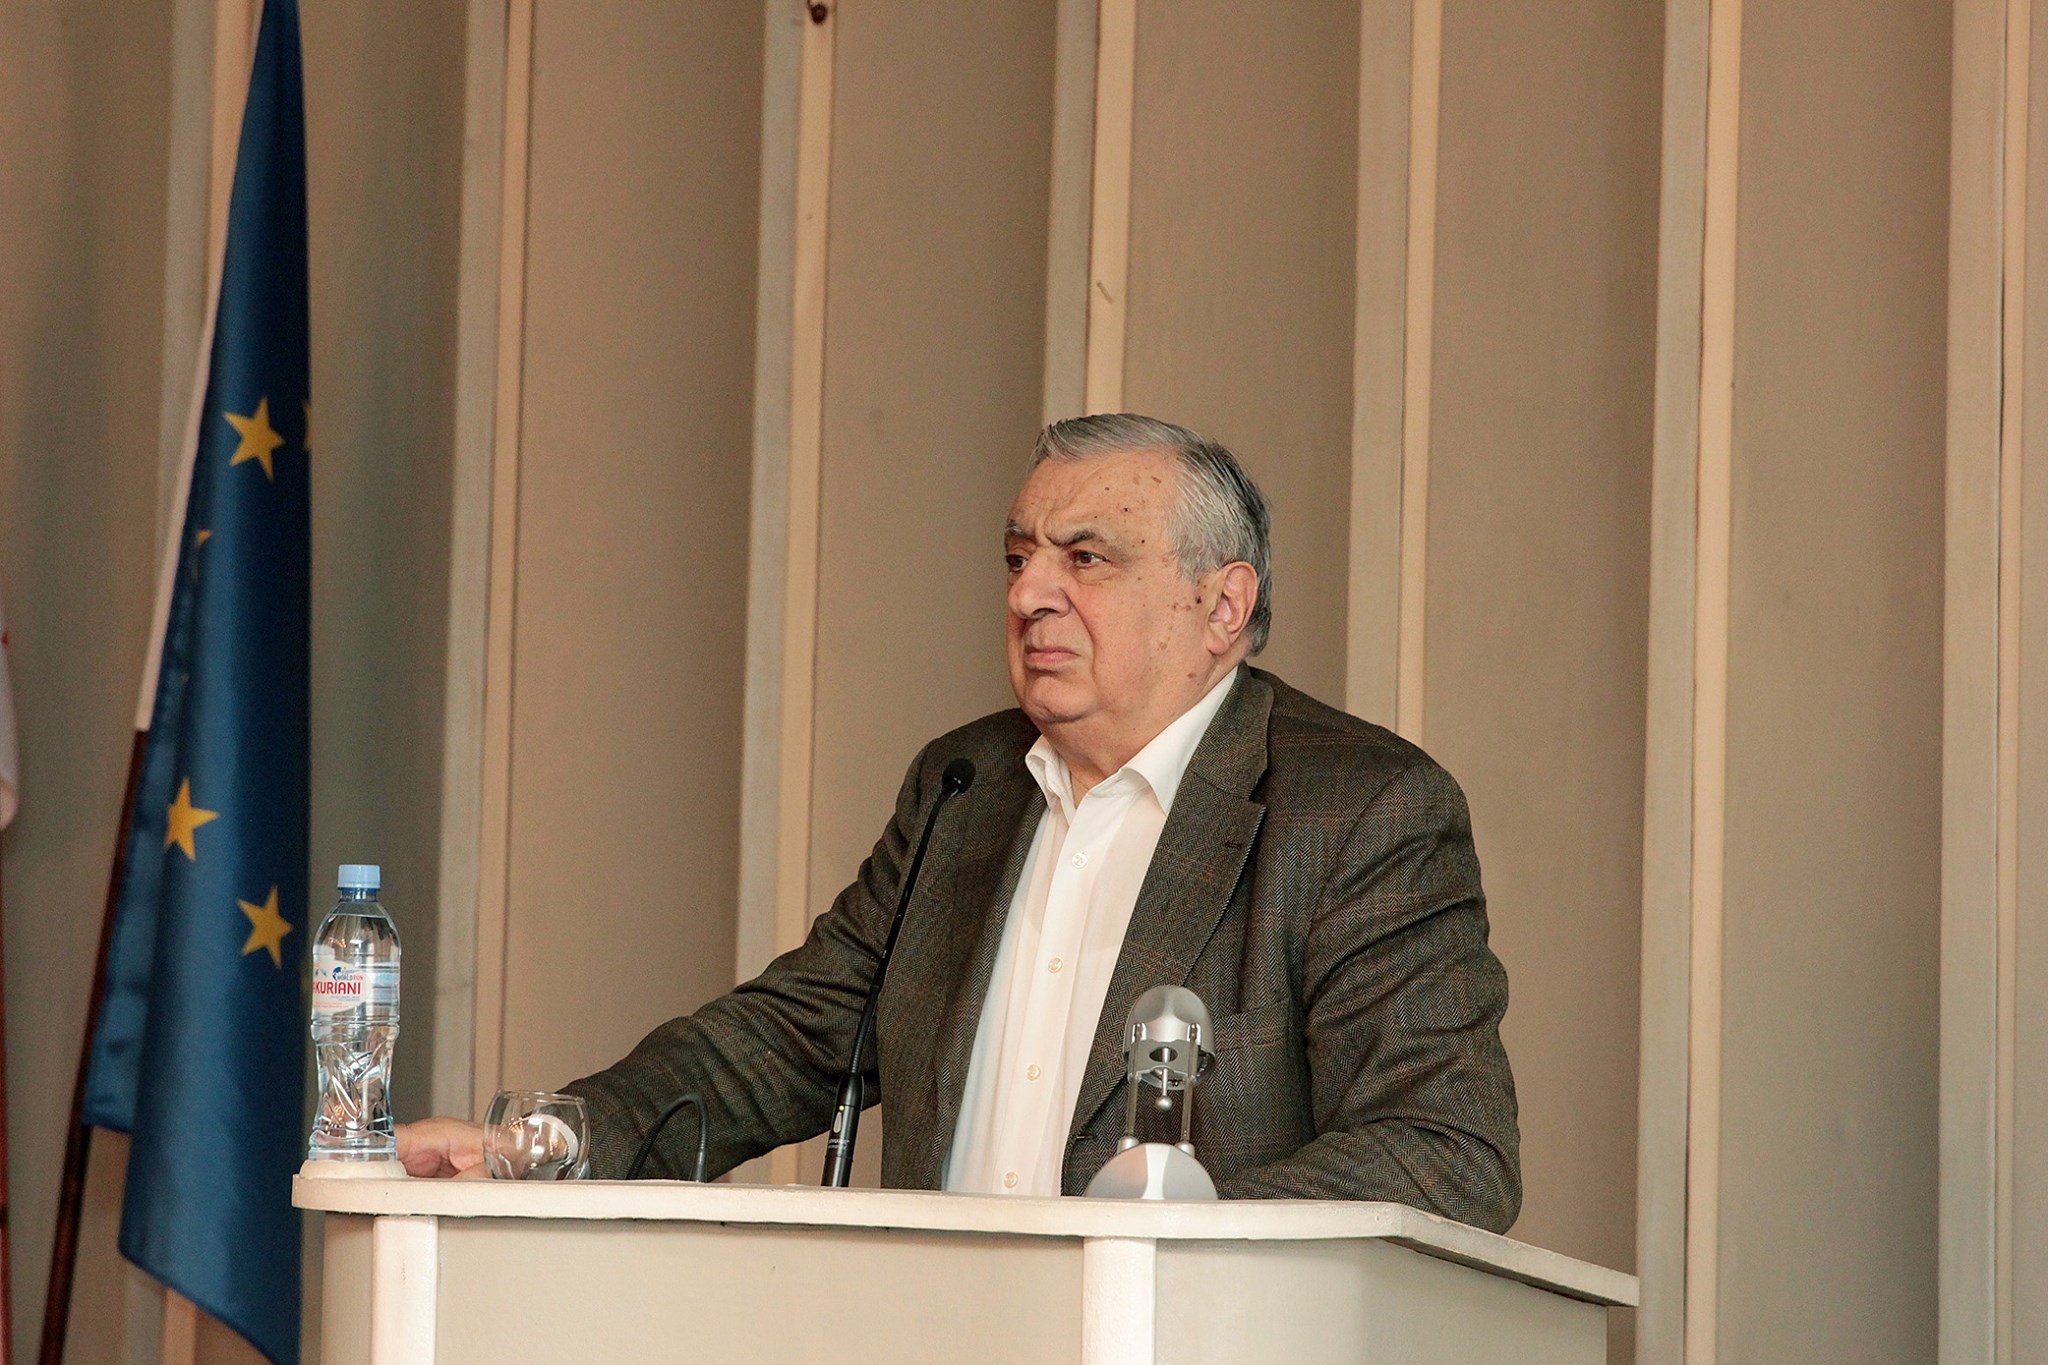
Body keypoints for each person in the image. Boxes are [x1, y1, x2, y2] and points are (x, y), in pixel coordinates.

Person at [400, 413, 1520, 1232]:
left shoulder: (1359, 809)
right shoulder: (967, 785)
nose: (1029, 594)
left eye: (1085, 558)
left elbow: (1445, 1151)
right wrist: (546, 1142)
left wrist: (1154, 1237)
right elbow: (787, 1037)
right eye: (1019, 557)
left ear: (1221, 605)